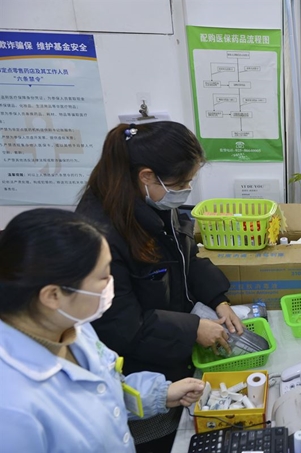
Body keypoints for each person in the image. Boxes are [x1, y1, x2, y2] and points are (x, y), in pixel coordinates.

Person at [76, 121, 245, 451]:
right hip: (140, 374)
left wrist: (218, 299)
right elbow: (120, 325)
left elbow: (186, 255)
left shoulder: (154, 202)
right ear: (146, 176)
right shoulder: (101, 234)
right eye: (181, 182)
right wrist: (193, 327)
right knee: (162, 441)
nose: (185, 190)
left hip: (172, 354)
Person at [0, 209, 206, 452]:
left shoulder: (73, 328)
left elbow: (103, 388)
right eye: (102, 277)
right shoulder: (11, 407)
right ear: (53, 295)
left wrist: (162, 393)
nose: (112, 284)